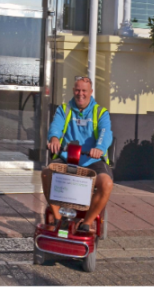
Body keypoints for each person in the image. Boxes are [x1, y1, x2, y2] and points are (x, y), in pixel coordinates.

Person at [44, 76, 114, 233]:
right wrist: (54, 139)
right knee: (47, 174)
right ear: (73, 90)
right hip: (67, 158)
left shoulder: (100, 112)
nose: (80, 93)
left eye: (84, 90)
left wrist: (99, 148)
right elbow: (56, 127)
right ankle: (58, 218)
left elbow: (105, 132)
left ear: (91, 92)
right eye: (77, 90)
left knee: (106, 184)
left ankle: (87, 222)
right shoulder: (64, 109)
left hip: (92, 161)